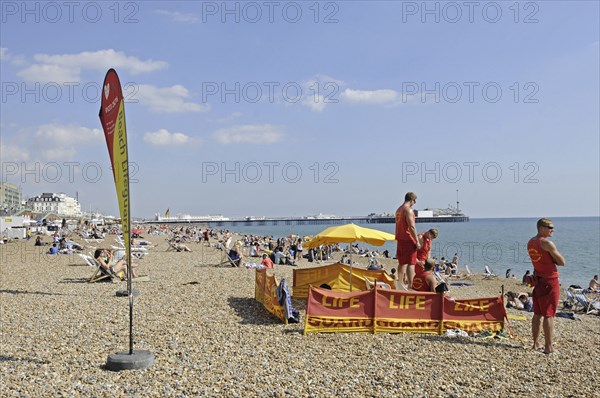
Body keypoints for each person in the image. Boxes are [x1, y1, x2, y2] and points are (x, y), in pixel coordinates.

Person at [527, 218, 565, 355]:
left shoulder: (531, 242)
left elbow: (541, 259)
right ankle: (549, 347)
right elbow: (562, 262)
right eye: (550, 227)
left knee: (537, 313)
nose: (552, 230)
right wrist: (553, 257)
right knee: (549, 315)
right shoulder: (547, 243)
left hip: (538, 279)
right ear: (541, 228)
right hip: (550, 280)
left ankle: (535, 343)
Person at [395, 192, 421, 289]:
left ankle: (400, 283)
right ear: (411, 200)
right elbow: (411, 227)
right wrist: (417, 241)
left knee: (401, 263)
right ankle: (410, 285)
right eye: (414, 201)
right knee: (411, 262)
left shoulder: (399, 209)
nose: (414, 203)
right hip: (408, 238)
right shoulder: (408, 210)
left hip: (400, 238)